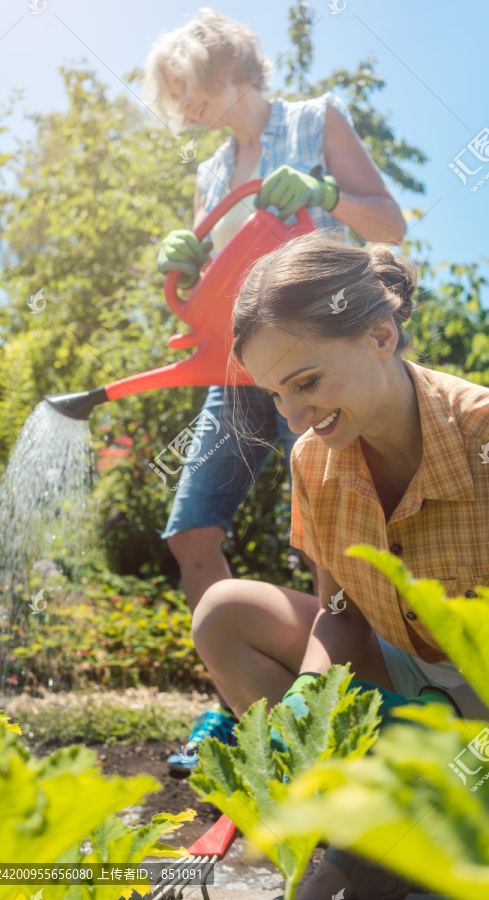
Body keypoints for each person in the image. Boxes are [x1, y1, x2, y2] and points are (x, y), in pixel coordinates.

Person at [141, 7, 406, 774]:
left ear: (227, 69)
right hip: (237, 367)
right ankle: (234, 709)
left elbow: (390, 224)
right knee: (190, 533)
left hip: (322, 358)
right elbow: (209, 288)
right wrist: (186, 260)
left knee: (329, 541)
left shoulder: (317, 120)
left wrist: (323, 187)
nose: (183, 108)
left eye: (186, 88)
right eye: (173, 97)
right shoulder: (212, 174)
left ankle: (340, 711)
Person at [191, 230, 489, 899]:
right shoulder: (314, 461)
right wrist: (307, 703)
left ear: (381, 335)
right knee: (223, 614)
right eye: (275, 394)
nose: (294, 417)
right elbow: (341, 612)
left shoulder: (482, 440)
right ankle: (373, 822)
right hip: (413, 682)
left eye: (307, 382)